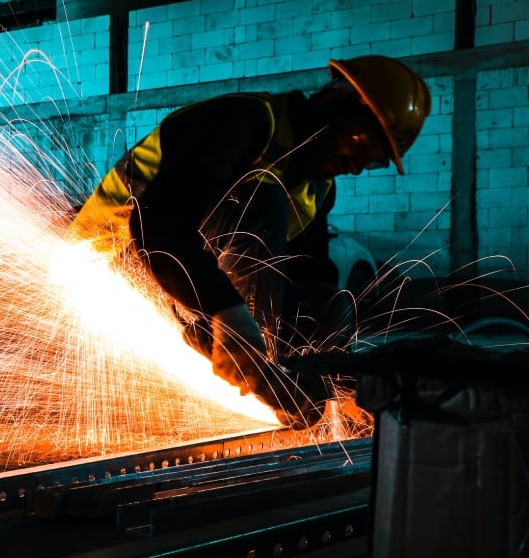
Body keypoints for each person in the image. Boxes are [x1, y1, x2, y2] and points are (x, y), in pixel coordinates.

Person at [69, 55, 432, 428]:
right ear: (335, 103)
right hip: (120, 264)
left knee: (332, 303)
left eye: (371, 162)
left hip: (189, 278)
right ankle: (248, 364)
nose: (356, 165)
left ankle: (308, 395)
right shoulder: (243, 122)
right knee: (261, 200)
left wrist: (340, 379)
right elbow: (157, 227)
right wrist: (228, 314)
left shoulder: (317, 187)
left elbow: (310, 277)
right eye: (360, 145)